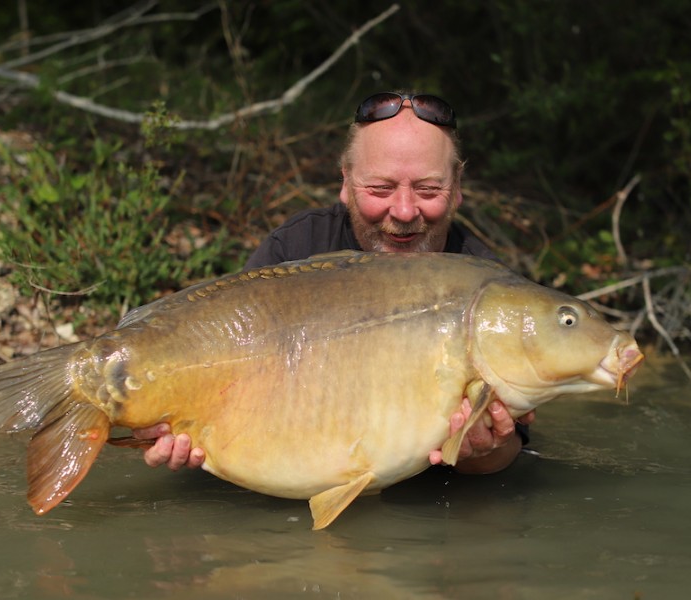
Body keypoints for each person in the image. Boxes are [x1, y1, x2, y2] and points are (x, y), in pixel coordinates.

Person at [132, 91, 535, 475]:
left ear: (457, 188)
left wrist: (484, 452)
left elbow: (508, 453)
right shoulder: (294, 248)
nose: (405, 210)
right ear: (346, 182)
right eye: (380, 188)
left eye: (428, 189)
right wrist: (170, 424)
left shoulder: (487, 287)